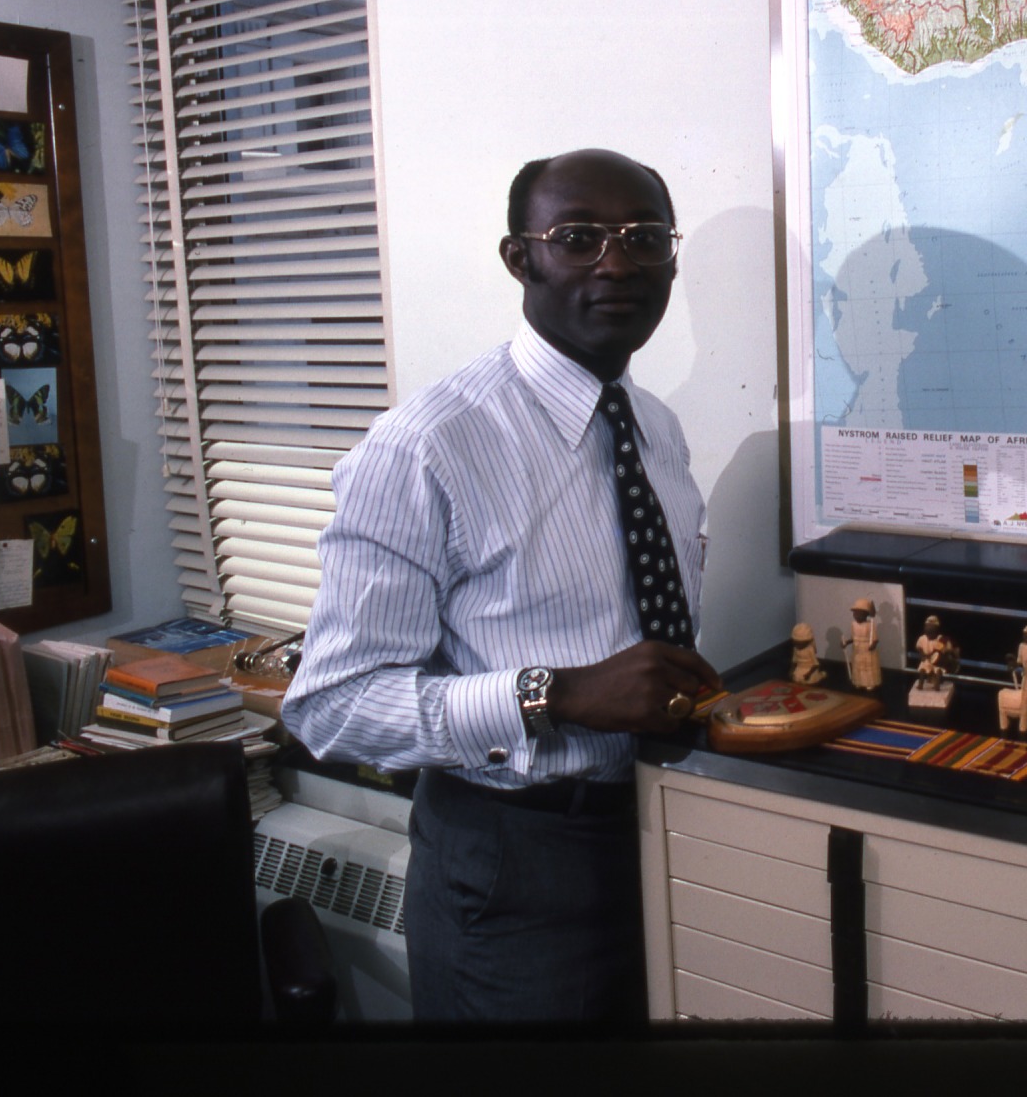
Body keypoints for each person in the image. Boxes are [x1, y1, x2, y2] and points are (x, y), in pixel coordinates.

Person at [282, 148, 720, 1024]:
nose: (617, 264)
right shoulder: (426, 446)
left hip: (664, 831)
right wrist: (557, 693)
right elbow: (330, 706)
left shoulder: (657, 428)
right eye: (579, 238)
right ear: (521, 259)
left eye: (644, 238)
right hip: (515, 862)